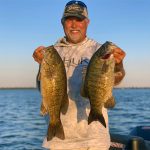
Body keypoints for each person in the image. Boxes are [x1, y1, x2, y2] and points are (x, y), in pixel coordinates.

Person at [32, 1, 126, 150]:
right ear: (62, 23)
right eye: (69, 19)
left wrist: (119, 65)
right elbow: (42, 88)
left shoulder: (98, 50)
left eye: (79, 19)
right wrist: (41, 66)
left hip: (94, 138)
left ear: (87, 22)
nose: (74, 25)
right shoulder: (53, 51)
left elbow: (115, 80)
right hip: (59, 140)